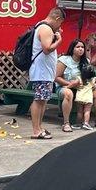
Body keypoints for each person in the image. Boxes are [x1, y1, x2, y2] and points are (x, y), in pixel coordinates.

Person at [55, 39, 96, 131]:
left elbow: (89, 76)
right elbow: (56, 77)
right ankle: (66, 123)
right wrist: (70, 83)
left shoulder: (86, 61)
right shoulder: (64, 60)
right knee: (68, 94)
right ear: (72, 49)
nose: (80, 49)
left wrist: (93, 83)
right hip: (65, 86)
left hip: (83, 87)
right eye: (78, 47)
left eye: (82, 47)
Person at [29, 7, 65, 140]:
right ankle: (36, 130)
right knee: (39, 100)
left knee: (43, 100)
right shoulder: (45, 28)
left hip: (45, 72)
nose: (60, 26)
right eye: (60, 22)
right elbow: (47, 49)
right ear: (57, 18)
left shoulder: (44, 27)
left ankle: (39, 127)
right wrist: (59, 41)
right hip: (41, 72)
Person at [75, 64, 96, 130]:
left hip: (79, 97)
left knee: (79, 112)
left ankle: (78, 124)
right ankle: (86, 123)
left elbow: (74, 84)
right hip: (88, 98)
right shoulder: (92, 80)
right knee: (87, 111)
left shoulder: (79, 78)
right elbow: (95, 88)